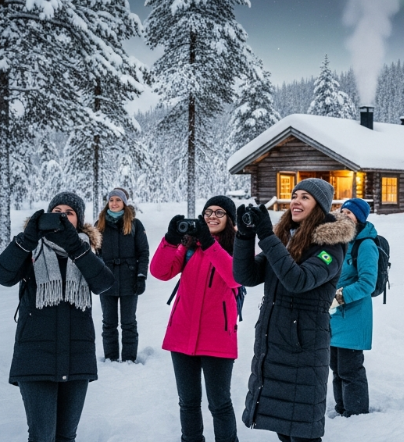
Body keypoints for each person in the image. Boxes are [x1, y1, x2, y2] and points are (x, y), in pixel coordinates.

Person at [234, 178, 354, 442]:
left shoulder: (330, 246)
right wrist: (244, 236)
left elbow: (298, 280)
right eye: (294, 195)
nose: (296, 201)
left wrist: (266, 236)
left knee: (302, 433)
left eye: (305, 197)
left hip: (304, 349)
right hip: (274, 346)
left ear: (319, 206)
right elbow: (247, 275)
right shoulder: (288, 239)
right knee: (283, 430)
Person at [0, 192, 114, 442]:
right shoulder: (31, 248)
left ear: (78, 221)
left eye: (69, 212)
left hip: (77, 355)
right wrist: (26, 239)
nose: (62, 216)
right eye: (57, 211)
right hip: (35, 355)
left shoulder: (86, 250)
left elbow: (104, 283)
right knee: (42, 435)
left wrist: (75, 246)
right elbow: (0, 275)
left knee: (67, 435)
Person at [150, 196, 242, 442]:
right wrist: (170, 241)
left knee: (219, 404)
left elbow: (234, 277)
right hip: (181, 334)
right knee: (188, 403)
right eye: (208, 212)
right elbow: (160, 272)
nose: (212, 216)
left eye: (219, 212)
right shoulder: (191, 246)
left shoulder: (239, 247)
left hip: (218, 338)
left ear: (230, 219)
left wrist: (210, 242)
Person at [329, 198, 377, 417]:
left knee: (350, 370)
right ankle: (342, 411)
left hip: (354, 316)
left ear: (360, 218)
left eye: (350, 213)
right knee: (337, 369)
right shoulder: (338, 240)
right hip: (334, 316)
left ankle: (356, 415)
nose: (344, 214)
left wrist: (339, 296)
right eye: (342, 210)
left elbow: (368, 283)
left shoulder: (365, 245)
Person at [95, 188, 149, 362]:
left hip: (129, 280)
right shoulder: (99, 224)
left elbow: (143, 252)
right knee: (109, 323)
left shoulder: (135, 224)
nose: (114, 203)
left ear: (124, 203)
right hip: (107, 280)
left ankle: (129, 359)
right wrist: (96, 275)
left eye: (118, 200)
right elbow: (94, 254)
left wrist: (141, 276)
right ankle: (110, 359)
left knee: (128, 323)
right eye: (111, 200)